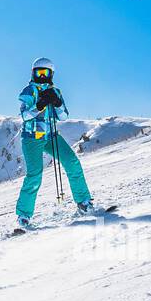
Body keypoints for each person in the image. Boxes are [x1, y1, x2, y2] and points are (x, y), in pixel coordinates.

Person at [17, 58, 93, 228]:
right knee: (35, 175)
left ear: (51, 74)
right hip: (32, 138)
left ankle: (84, 202)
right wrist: (41, 104)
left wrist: (57, 102)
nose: (42, 76)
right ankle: (23, 215)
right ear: (33, 73)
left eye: (45, 73)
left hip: (51, 136)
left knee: (72, 163)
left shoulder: (55, 91)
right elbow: (24, 116)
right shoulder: (29, 91)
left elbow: (64, 116)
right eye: (39, 73)